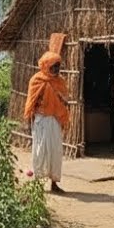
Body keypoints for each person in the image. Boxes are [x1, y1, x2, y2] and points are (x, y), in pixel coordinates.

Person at [24, 50, 68, 194]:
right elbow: (31, 103)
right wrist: (29, 123)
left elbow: (64, 101)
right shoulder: (36, 80)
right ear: (46, 66)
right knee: (40, 151)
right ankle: (37, 182)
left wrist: (61, 102)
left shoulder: (60, 82)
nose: (56, 70)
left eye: (58, 66)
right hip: (41, 120)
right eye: (53, 66)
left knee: (55, 151)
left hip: (54, 121)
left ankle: (54, 183)